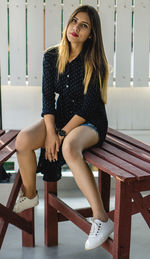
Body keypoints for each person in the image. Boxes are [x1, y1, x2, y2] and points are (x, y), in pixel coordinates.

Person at [13, 5, 114, 250]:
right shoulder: (51, 56)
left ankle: (101, 219)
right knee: (23, 141)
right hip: (59, 117)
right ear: (68, 24)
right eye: (74, 21)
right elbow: (48, 98)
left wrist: (59, 135)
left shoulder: (94, 61)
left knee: (69, 147)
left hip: (90, 121)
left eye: (84, 25)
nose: (76, 28)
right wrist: (50, 132)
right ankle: (30, 195)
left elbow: (89, 106)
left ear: (91, 34)